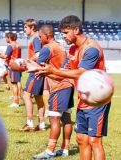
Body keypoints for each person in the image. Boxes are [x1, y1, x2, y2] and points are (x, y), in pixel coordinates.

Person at [35, 15, 111, 160]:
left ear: (76, 30)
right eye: (62, 33)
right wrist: (44, 72)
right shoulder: (72, 50)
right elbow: (65, 73)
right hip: (83, 99)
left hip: (98, 100)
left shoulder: (91, 49)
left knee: (95, 141)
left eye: (65, 32)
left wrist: (54, 70)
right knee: (81, 139)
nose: (62, 36)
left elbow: (82, 72)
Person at [32, 25, 74, 159]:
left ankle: (50, 151)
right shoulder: (60, 46)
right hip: (69, 84)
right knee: (66, 118)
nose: (39, 38)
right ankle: (65, 149)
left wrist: (21, 65)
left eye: (40, 36)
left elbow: (38, 68)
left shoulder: (47, 48)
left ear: (47, 36)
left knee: (54, 119)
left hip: (58, 86)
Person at [20, 19, 45, 132]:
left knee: (26, 95)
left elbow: (38, 54)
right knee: (38, 97)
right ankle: (42, 124)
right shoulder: (36, 38)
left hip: (35, 70)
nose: (24, 29)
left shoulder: (35, 38)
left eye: (26, 27)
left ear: (32, 28)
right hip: (38, 70)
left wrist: (27, 61)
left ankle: (30, 123)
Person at [0, 32, 22, 108]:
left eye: (6, 37)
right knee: (18, 82)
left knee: (14, 84)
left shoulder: (10, 46)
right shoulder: (18, 45)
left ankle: (16, 102)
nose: (5, 39)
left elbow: (5, 56)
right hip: (18, 65)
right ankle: (18, 97)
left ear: (9, 37)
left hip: (13, 66)